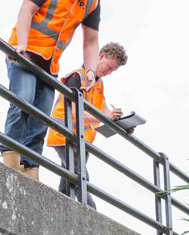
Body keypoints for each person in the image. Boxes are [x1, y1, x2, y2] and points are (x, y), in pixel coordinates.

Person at [0, 0, 117, 181]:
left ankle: (30, 169)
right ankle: (9, 159)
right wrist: (21, 45)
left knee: (41, 119)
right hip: (25, 53)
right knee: (22, 102)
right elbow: (26, 10)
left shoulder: (92, 1)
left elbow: (91, 42)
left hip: (49, 66)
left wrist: (91, 70)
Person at [45, 42, 129, 209]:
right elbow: (77, 114)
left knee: (68, 182)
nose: (109, 72)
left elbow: (106, 113)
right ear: (101, 55)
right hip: (65, 136)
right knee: (80, 178)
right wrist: (108, 117)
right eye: (109, 67)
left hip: (81, 141)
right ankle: (92, 213)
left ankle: (59, 212)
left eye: (113, 71)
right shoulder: (77, 77)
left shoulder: (99, 85)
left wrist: (124, 125)